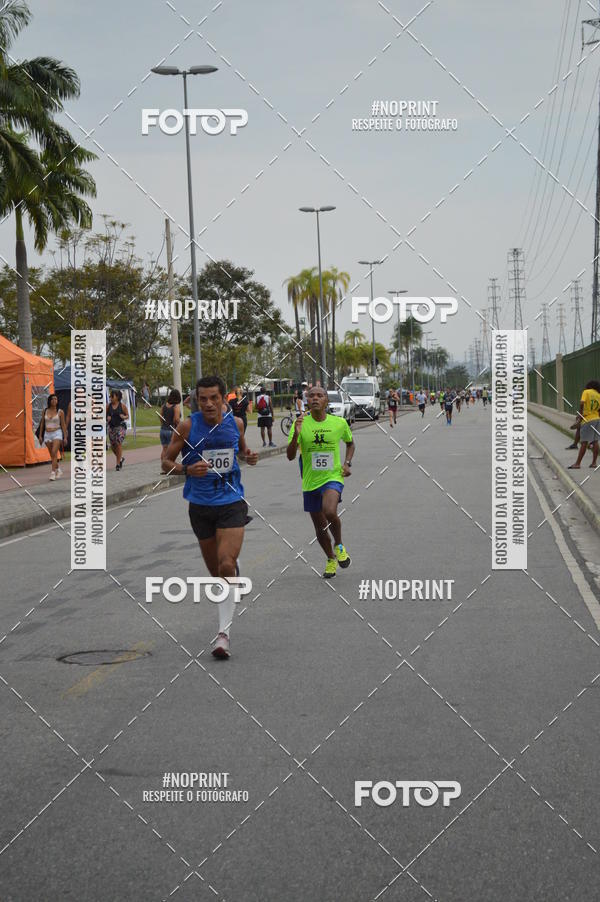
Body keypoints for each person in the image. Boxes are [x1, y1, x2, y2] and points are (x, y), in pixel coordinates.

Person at [162, 375, 258, 659]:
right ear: (196, 400)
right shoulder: (187, 426)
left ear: (223, 398)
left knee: (225, 564)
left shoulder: (236, 423)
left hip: (231, 502)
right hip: (200, 506)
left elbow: (242, 451)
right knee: (217, 572)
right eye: (202, 399)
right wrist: (186, 470)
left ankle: (223, 634)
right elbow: (166, 463)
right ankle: (231, 570)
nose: (208, 404)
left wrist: (249, 456)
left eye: (213, 398)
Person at [286, 385, 354, 578]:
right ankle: (331, 558)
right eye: (311, 395)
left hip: (332, 476)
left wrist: (347, 463)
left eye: (320, 395)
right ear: (307, 400)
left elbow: (350, 443)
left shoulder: (339, 423)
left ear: (326, 401)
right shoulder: (299, 423)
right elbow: (290, 456)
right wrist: (296, 435)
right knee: (320, 526)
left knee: (330, 511)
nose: (315, 398)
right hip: (310, 480)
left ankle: (339, 545)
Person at [568, 380, 600, 469]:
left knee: (584, 443)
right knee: (595, 441)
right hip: (597, 419)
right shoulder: (599, 395)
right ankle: (594, 463)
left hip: (587, 419)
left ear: (589, 385)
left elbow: (582, 403)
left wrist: (580, 415)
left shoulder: (586, 392)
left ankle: (577, 464)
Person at [39, 393, 67, 480]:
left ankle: (52, 473)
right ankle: (58, 469)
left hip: (57, 433)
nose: (54, 401)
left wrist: (65, 437)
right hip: (47, 433)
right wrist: (40, 436)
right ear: (49, 401)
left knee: (54, 452)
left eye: (56, 399)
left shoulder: (60, 412)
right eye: (52, 399)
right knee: (52, 454)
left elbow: (63, 425)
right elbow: (42, 424)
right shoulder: (45, 411)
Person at [106, 389, 129, 470]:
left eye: (112, 396)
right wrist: (107, 418)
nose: (110, 398)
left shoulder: (122, 406)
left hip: (120, 427)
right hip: (111, 427)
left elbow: (127, 416)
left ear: (117, 397)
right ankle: (121, 458)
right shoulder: (108, 406)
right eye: (110, 396)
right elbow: (104, 416)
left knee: (118, 443)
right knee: (113, 446)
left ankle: (118, 464)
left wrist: (124, 417)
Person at [159, 389, 181, 463]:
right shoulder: (176, 406)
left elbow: (160, 416)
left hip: (163, 430)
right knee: (171, 450)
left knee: (164, 449)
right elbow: (176, 419)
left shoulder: (164, 405)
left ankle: (164, 467)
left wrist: (163, 423)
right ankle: (169, 466)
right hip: (171, 430)